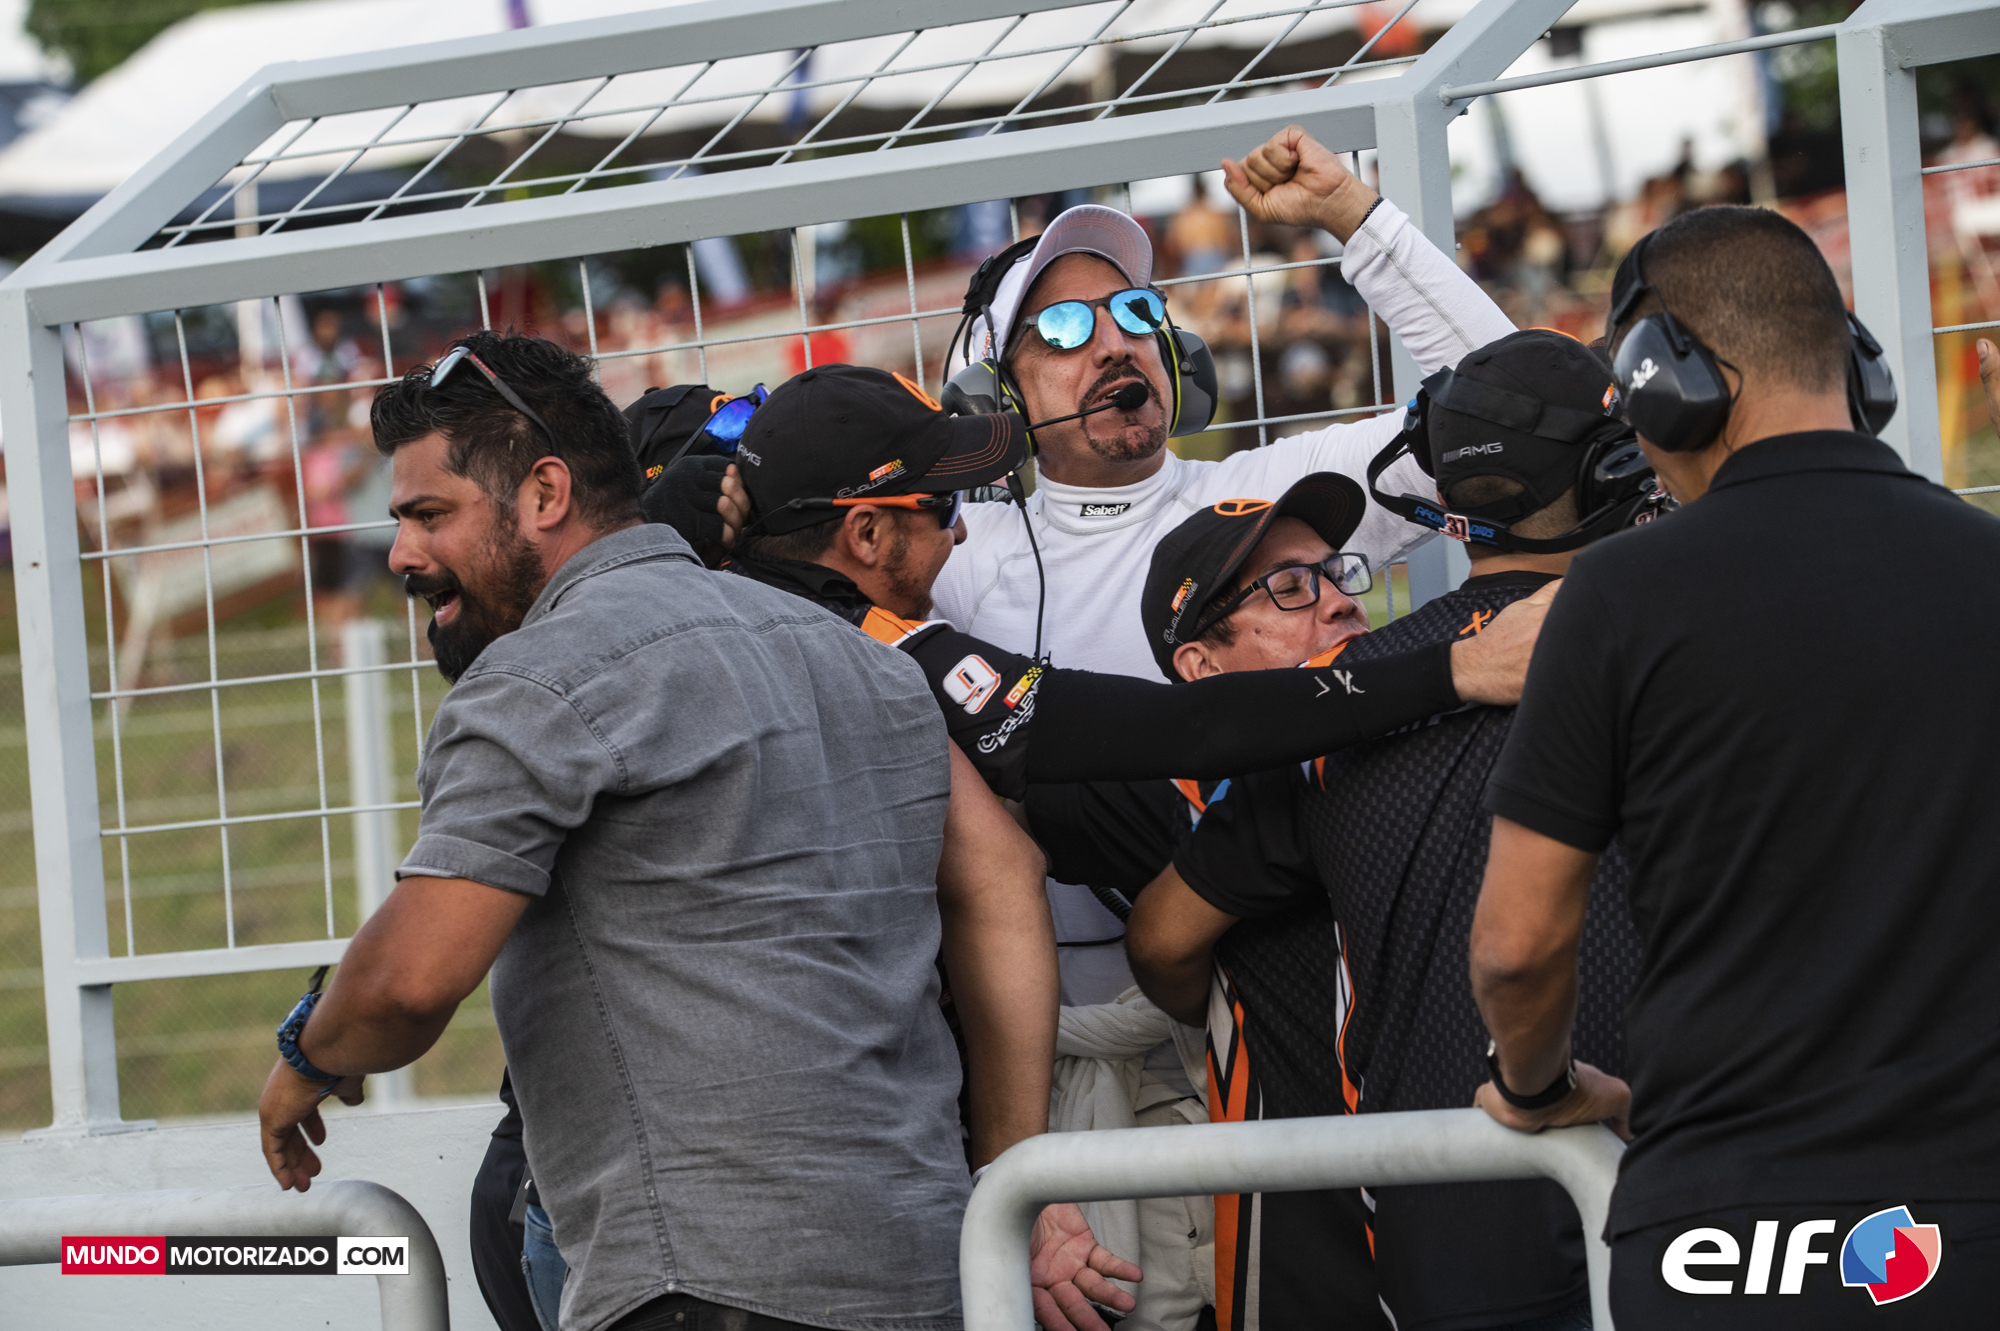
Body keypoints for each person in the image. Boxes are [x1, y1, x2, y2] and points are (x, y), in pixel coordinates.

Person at [255, 331, 1060, 1331]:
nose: (403, 555)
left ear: (545, 493)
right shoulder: (864, 660)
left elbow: (408, 984)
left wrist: (307, 1054)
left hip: (703, 1281)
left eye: (429, 514)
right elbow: (1004, 876)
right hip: (928, 1275)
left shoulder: (536, 676)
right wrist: (1010, 1181)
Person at [926, 123, 1517, 1190]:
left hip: (1282, 1022)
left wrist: (1354, 219)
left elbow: (1513, 404)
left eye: (1134, 313)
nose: (1114, 343)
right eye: (1063, 326)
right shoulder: (957, 557)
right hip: (1053, 1070)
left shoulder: (1260, 503)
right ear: (996, 396)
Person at [1471, 206, 2000, 1328]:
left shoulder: (1616, 595)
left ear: (1668, 381)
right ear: (1857, 366)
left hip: (1727, 1228)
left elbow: (1516, 946)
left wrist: (1539, 1085)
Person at [1130, 331, 1655, 1331]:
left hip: (1450, 1220)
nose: (1335, 599)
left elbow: (1158, 935)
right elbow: (1157, 937)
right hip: (1684, 1172)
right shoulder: (1683, 637)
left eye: (1333, 572)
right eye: (1288, 588)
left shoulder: (1346, 714)